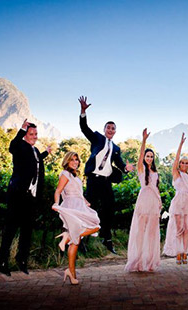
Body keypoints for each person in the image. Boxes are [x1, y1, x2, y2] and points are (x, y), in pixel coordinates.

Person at [78, 96, 134, 254]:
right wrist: (83, 112)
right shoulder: (97, 138)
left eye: (113, 128)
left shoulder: (116, 148)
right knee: (89, 208)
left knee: (109, 208)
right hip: (93, 180)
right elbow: (84, 128)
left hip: (106, 182)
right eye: (108, 128)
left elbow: (119, 164)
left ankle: (106, 239)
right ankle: (80, 239)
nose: (110, 130)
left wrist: (126, 167)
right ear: (104, 130)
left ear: (115, 132)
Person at [0, 120, 49, 276]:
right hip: (18, 195)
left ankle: (22, 260)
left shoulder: (35, 150)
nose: (34, 136)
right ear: (25, 135)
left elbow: (36, 162)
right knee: (10, 229)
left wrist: (46, 152)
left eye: (36, 134)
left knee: (27, 231)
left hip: (31, 197)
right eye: (31, 134)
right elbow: (12, 146)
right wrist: (21, 129)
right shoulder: (19, 147)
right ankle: (2, 261)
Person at [52, 152, 101, 285]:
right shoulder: (65, 174)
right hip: (71, 206)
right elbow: (58, 190)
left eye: (77, 159)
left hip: (80, 205)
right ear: (67, 161)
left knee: (91, 228)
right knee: (80, 237)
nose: (75, 162)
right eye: (72, 160)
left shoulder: (75, 175)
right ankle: (72, 272)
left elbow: (78, 193)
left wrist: (85, 201)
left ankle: (70, 270)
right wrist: (56, 203)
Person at [125, 128, 162, 272]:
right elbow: (140, 155)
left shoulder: (155, 172)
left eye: (151, 156)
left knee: (152, 233)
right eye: (147, 156)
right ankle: (138, 262)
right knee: (140, 232)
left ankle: (150, 262)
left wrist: (159, 203)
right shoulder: (141, 169)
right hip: (143, 201)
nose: (149, 158)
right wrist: (144, 140)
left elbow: (156, 189)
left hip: (153, 202)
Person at [163, 133, 188, 264]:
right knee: (178, 229)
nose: (184, 164)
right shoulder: (176, 174)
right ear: (179, 164)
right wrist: (180, 144)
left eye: (186, 163)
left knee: (186, 229)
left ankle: (184, 252)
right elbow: (176, 159)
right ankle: (178, 252)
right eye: (182, 162)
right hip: (178, 203)